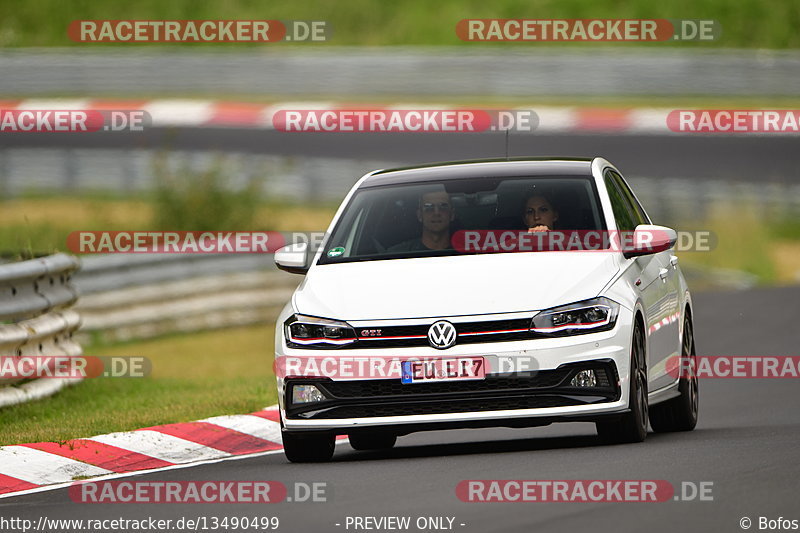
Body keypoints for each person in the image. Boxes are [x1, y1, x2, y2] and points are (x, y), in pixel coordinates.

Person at [389, 190, 454, 251]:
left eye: (443, 207)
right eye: (429, 207)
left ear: (452, 214)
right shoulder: (398, 254)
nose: (436, 213)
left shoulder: (462, 251)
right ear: (419, 215)